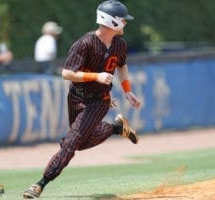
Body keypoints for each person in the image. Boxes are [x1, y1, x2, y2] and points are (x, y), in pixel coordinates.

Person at [23, 0, 140, 198]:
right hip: (76, 98)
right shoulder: (85, 43)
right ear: (111, 21)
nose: (125, 23)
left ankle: (40, 184)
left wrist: (127, 90)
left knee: (70, 143)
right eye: (122, 20)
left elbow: (122, 65)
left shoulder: (120, 44)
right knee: (81, 143)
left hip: (99, 100)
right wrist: (96, 76)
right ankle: (116, 128)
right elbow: (67, 73)